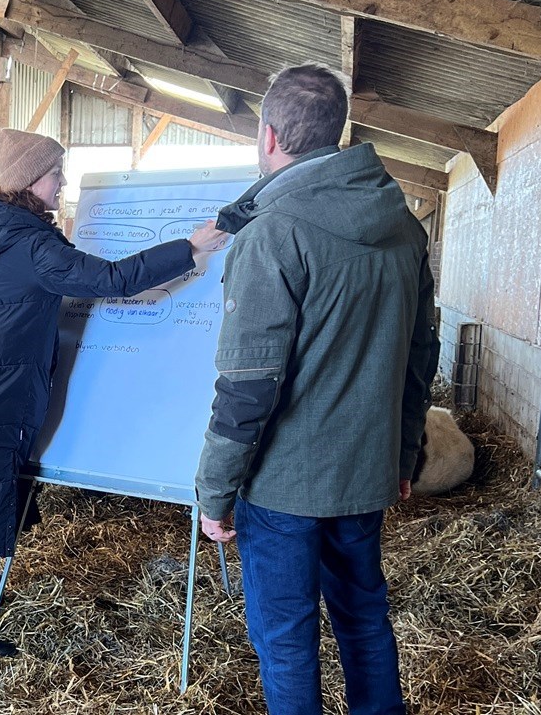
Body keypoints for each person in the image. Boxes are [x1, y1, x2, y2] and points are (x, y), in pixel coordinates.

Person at [0, 127, 230, 656]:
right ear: (28, 181)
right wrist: (190, 248)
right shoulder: (29, 243)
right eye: (54, 174)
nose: (62, 183)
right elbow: (113, 279)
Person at [194, 62, 440, 714]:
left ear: (269, 136)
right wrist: (402, 456)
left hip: (282, 486)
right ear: (336, 131)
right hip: (364, 473)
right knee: (363, 617)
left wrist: (214, 492)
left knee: (285, 638)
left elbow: (247, 387)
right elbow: (420, 356)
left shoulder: (272, 233)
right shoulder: (404, 228)